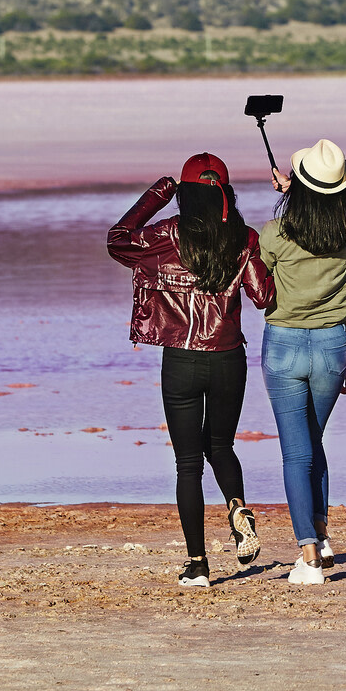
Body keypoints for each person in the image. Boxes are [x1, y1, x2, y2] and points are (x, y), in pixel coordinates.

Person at [107, 153, 275, 588]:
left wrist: (158, 193)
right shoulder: (244, 237)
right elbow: (263, 295)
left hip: (181, 360)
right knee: (220, 445)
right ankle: (237, 505)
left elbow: (118, 239)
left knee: (187, 465)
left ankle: (198, 564)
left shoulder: (166, 234)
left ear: (185, 195)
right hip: (228, 358)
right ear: (225, 194)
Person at [255, 138, 346, 586]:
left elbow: (259, 283)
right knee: (313, 442)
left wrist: (288, 199)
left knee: (296, 451)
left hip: (283, 345)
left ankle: (310, 555)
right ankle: (321, 533)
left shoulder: (274, 234)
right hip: (333, 345)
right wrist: (295, 195)